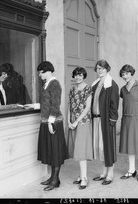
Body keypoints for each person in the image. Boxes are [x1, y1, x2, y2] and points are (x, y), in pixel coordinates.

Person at [37, 61, 68, 191]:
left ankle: (55, 180)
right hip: (46, 121)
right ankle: (52, 178)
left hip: (53, 122)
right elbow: (46, 104)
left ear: (47, 71)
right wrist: (33, 106)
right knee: (50, 150)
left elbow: (56, 105)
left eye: (41, 72)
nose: (39, 75)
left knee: (55, 151)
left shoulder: (54, 84)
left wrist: (50, 122)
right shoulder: (47, 84)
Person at [119, 65, 138, 182]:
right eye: (123, 74)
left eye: (126, 73)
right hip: (126, 119)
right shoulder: (122, 89)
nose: (124, 76)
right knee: (129, 145)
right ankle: (131, 170)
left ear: (131, 73)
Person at [91, 59, 119, 185]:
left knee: (108, 148)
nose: (99, 70)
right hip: (96, 120)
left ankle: (110, 174)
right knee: (101, 148)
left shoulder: (111, 84)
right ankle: (103, 173)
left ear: (107, 69)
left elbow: (114, 105)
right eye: (97, 68)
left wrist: (112, 121)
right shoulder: (96, 84)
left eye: (102, 68)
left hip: (106, 120)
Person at [67, 67, 93, 190]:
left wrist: (76, 121)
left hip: (82, 122)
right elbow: (69, 106)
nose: (78, 77)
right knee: (76, 149)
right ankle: (81, 174)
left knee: (81, 149)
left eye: (80, 75)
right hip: (73, 121)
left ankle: (84, 178)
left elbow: (87, 108)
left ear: (84, 76)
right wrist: (68, 120)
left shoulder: (88, 89)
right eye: (76, 75)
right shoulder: (72, 90)